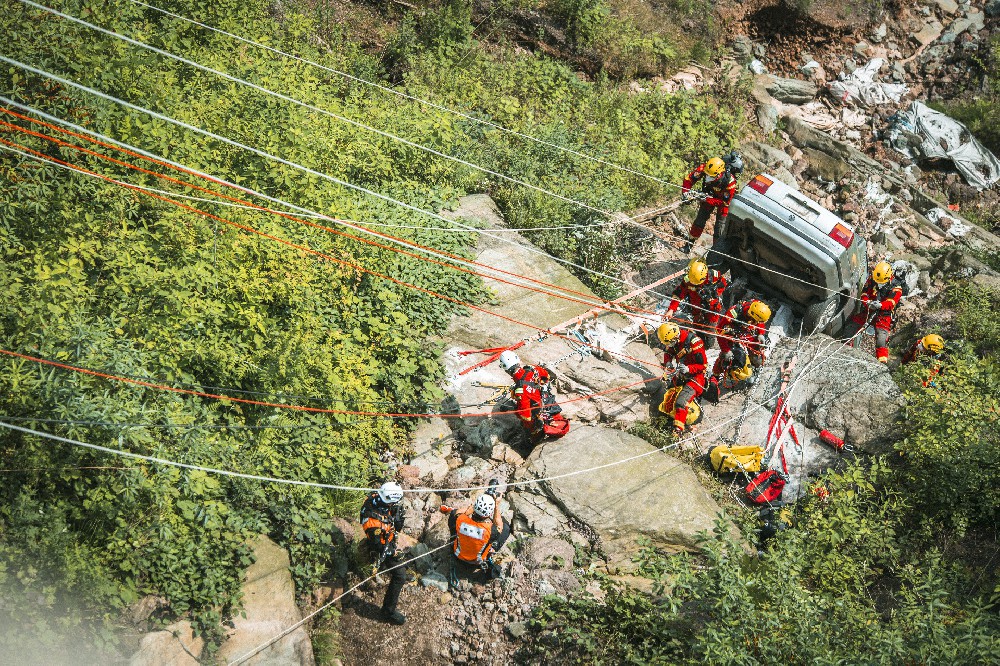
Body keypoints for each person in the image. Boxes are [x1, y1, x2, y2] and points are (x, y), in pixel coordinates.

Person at [442, 483, 511, 587]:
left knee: (453, 522)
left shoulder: (460, 519)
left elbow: (457, 512)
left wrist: (475, 506)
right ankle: (492, 549)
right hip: (476, 563)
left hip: (457, 557)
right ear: (488, 514)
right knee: (506, 528)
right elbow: (500, 525)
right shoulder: (490, 530)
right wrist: (496, 505)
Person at [359, 481, 408, 625]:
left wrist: (395, 517)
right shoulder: (373, 524)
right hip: (380, 546)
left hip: (385, 537)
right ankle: (388, 611)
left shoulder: (375, 497)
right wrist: (393, 553)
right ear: (389, 503)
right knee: (400, 575)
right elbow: (381, 547)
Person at [843, 261, 902, 363]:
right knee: (851, 328)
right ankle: (846, 351)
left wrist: (880, 305)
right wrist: (867, 302)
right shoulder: (872, 278)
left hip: (883, 315)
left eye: (882, 282)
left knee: (881, 340)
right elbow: (865, 292)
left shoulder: (896, 288)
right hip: (868, 310)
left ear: (889, 277)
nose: (879, 283)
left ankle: (881, 363)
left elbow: (891, 303)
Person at [655, 322, 708, 434]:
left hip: (696, 377)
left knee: (681, 402)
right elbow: (669, 352)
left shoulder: (695, 343)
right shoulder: (674, 341)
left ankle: (678, 429)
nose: (670, 345)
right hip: (682, 374)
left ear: (676, 337)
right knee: (669, 397)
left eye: (671, 342)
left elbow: (703, 365)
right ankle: (667, 419)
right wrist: (668, 362)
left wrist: (689, 369)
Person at [498, 350, 560, 443]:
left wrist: (514, 409)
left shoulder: (520, 390)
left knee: (530, 427)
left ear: (506, 370)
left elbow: (525, 416)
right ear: (518, 362)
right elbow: (546, 376)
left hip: (538, 416)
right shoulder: (532, 369)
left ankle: (535, 440)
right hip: (548, 403)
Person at [665, 258, 728, 348]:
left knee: (709, 333)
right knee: (698, 329)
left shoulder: (713, 275)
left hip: (712, 311)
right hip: (696, 310)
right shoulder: (688, 279)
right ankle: (699, 345)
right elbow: (679, 293)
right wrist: (671, 309)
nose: (695, 285)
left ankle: (708, 346)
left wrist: (714, 294)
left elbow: (723, 284)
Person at [680, 156, 738, 252]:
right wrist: (685, 192)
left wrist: (707, 199)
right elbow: (689, 179)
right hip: (708, 195)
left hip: (723, 202)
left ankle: (715, 254)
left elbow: (725, 202)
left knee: (720, 228)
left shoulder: (730, 183)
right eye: (706, 175)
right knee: (699, 220)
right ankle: (688, 246)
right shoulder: (705, 168)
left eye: (711, 176)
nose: (707, 178)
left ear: (719, 174)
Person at [712, 298, 771, 379]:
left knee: (758, 359)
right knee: (726, 358)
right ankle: (715, 375)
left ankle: (752, 366)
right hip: (732, 335)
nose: (756, 323)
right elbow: (720, 333)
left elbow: (759, 322)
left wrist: (761, 333)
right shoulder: (732, 315)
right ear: (750, 316)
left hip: (747, 334)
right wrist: (726, 350)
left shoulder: (756, 306)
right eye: (755, 321)